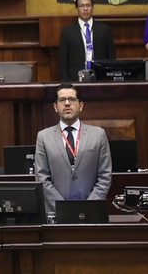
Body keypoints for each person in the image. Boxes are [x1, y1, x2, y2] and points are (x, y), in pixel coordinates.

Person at [34, 83, 112, 214]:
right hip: (57, 213)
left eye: (72, 99)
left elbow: (105, 176)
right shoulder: (44, 136)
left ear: (81, 105)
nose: (67, 103)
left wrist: (89, 206)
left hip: (92, 212)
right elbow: (42, 178)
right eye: (62, 100)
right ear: (55, 107)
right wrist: (63, 208)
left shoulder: (98, 135)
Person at [59, 0, 116, 81]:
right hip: (76, 79)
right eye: (82, 6)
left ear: (93, 7)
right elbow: (63, 61)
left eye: (88, 5)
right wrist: (66, 83)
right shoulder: (68, 32)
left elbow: (112, 58)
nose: (85, 9)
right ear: (77, 8)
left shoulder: (104, 30)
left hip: (101, 78)